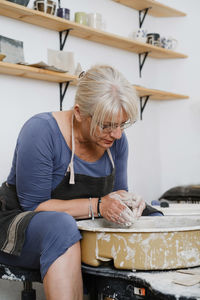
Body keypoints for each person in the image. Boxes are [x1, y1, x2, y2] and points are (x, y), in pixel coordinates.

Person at [0, 65, 161, 300]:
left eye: (121, 124)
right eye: (107, 125)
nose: (116, 134)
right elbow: (35, 206)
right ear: (78, 112)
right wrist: (98, 206)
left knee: (153, 218)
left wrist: (128, 201)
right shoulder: (41, 131)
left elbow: (117, 193)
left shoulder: (116, 140)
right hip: (19, 222)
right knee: (61, 226)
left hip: (80, 220)